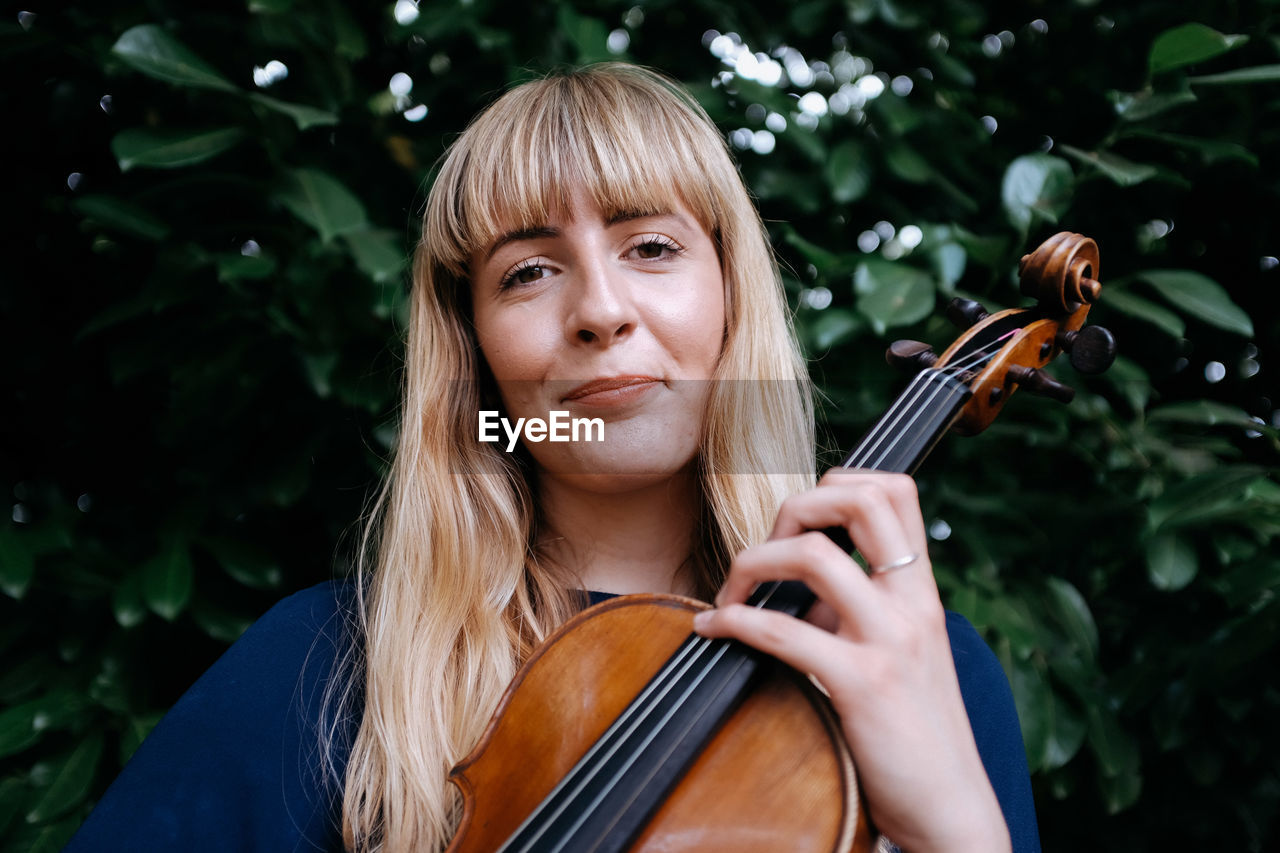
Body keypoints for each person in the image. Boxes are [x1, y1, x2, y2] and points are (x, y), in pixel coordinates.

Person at [65, 63, 1039, 853]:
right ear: (477, 356)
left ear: (731, 298)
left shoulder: (916, 672)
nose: (600, 311)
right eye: (527, 271)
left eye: (650, 248)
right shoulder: (327, 667)